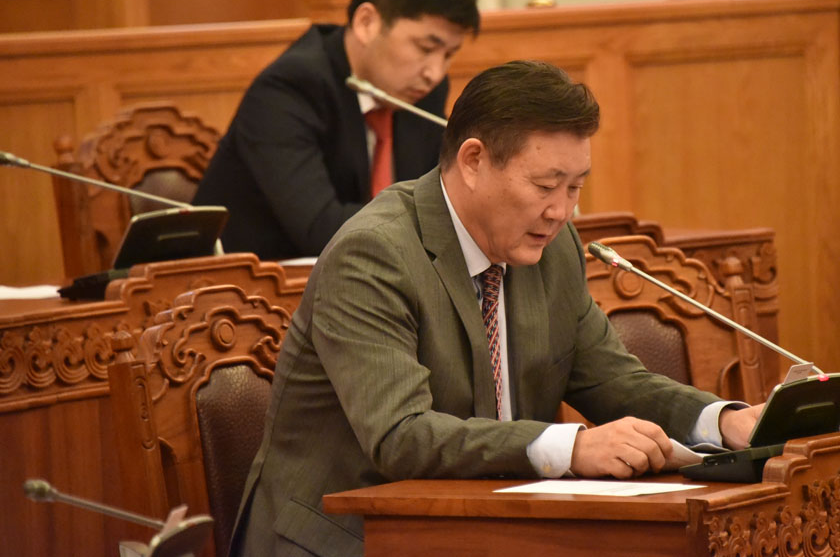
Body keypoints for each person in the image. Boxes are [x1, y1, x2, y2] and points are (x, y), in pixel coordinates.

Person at [229, 60, 763, 556]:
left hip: (486, 526)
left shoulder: (553, 249)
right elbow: (401, 435)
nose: (561, 211)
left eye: (576, 187)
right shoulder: (374, 254)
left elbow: (612, 380)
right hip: (347, 539)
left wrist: (722, 422)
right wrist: (572, 448)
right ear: (474, 161)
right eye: (546, 185)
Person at [193, 0, 480, 259]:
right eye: (426, 48)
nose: (435, 73)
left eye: (449, 55)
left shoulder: (424, 92)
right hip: (252, 282)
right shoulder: (288, 89)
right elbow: (322, 229)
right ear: (367, 23)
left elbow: (435, 196)